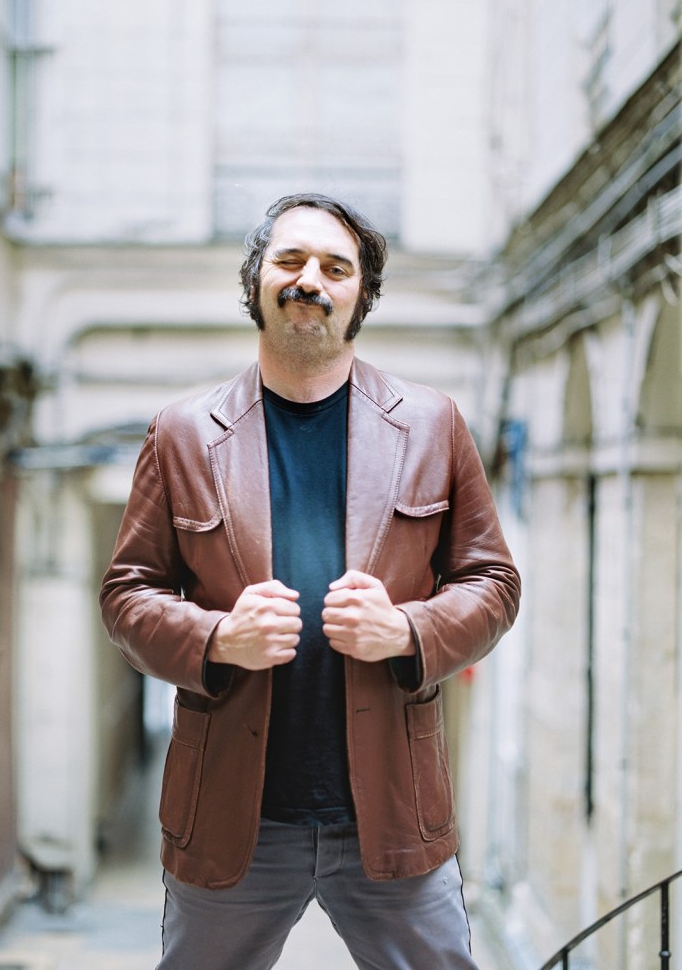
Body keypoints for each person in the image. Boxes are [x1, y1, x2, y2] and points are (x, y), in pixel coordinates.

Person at [100, 192, 521, 969]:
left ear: (361, 295)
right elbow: (126, 595)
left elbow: (491, 580)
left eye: (335, 267)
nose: (309, 280)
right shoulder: (182, 432)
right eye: (289, 260)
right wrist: (217, 636)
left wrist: (409, 628)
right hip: (231, 813)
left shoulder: (432, 423)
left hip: (392, 811)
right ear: (255, 279)